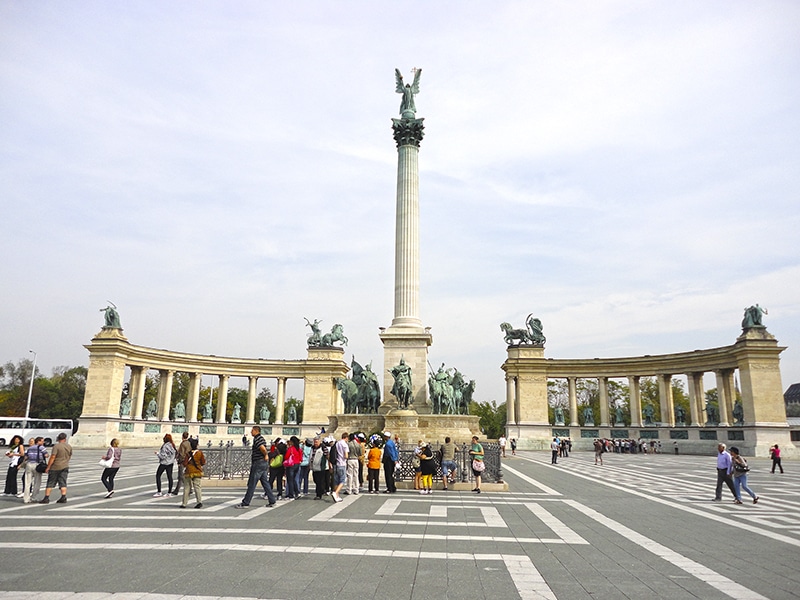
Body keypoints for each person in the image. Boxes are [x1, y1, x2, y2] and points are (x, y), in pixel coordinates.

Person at [235, 426, 276, 509]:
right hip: (263, 464)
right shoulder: (261, 438)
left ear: (256, 431)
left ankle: (245, 503)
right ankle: (272, 500)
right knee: (265, 483)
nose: (251, 432)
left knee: (252, 484)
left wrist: (266, 455)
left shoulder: (258, 439)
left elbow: (262, 448)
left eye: (252, 430)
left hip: (258, 463)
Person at [39, 432, 72, 504]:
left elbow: (53, 457)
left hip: (55, 467)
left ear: (58, 438)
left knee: (50, 482)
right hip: (65, 466)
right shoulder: (69, 446)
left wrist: (48, 467)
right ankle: (63, 497)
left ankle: (46, 498)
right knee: (63, 482)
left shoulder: (56, 446)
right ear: (65, 439)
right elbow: (69, 456)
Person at [180, 437, 205, 509]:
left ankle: (184, 503)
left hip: (189, 471)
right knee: (197, 487)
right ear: (197, 445)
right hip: (197, 471)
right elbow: (203, 462)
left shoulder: (188, 454)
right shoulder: (200, 453)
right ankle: (199, 502)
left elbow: (185, 463)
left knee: (187, 487)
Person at [23, 437, 47, 504]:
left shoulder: (30, 448)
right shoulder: (41, 447)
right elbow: (46, 455)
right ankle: (33, 497)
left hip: (29, 464)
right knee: (37, 482)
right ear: (38, 441)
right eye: (42, 441)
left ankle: (26, 499)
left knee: (27, 483)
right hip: (37, 465)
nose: (43, 442)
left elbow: (25, 457)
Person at [283, 436, 302, 500]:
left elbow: (286, 456)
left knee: (290, 480)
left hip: (291, 465)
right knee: (295, 479)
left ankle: (291, 495)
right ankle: (297, 492)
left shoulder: (291, 449)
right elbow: (301, 458)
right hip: (297, 464)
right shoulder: (298, 449)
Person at [173, 431, 191, 496]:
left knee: (181, 476)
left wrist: (179, 461)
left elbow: (182, 454)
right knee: (181, 476)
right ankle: (176, 490)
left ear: (182, 436)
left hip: (183, 461)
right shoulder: (188, 443)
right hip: (187, 460)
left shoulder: (183, 444)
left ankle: (189, 489)